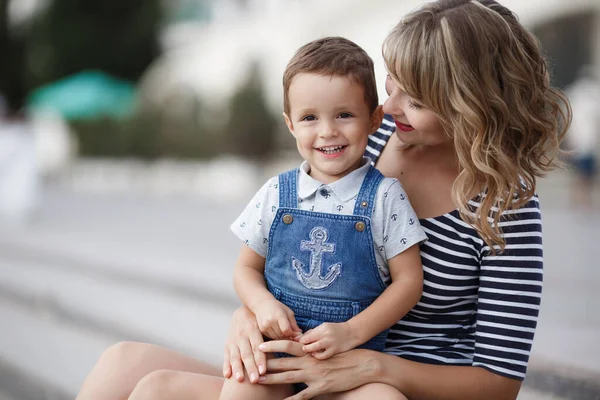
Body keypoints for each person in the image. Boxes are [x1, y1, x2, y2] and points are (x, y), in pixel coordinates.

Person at [75, 1, 571, 399]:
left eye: (414, 100)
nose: (387, 106)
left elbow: (499, 382)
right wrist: (249, 316)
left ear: (471, 106)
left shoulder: (505, 211)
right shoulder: (368, 143)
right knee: (125, 366)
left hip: (397, 389)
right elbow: (284, 253)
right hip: (310, 363)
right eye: (392, 84)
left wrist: (373, 365)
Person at [223, 36, 426, 400]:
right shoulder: (275, 194)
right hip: (278, 359)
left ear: (375, 119)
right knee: (240, 389)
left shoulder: (385, 197)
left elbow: (409, 283)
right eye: (309, 118)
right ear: (290, 124)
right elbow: (245, 270)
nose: (328, 131)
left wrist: (351, 332)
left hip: (350, 369)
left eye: (344, 114)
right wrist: (262, 305)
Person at [565, 66, 600, 208]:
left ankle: (580, 199)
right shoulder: (593, 96)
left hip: (579, 142)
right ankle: (584, 199)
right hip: (587, 143)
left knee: (581, 173)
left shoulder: (574, 95)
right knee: (585, 174)